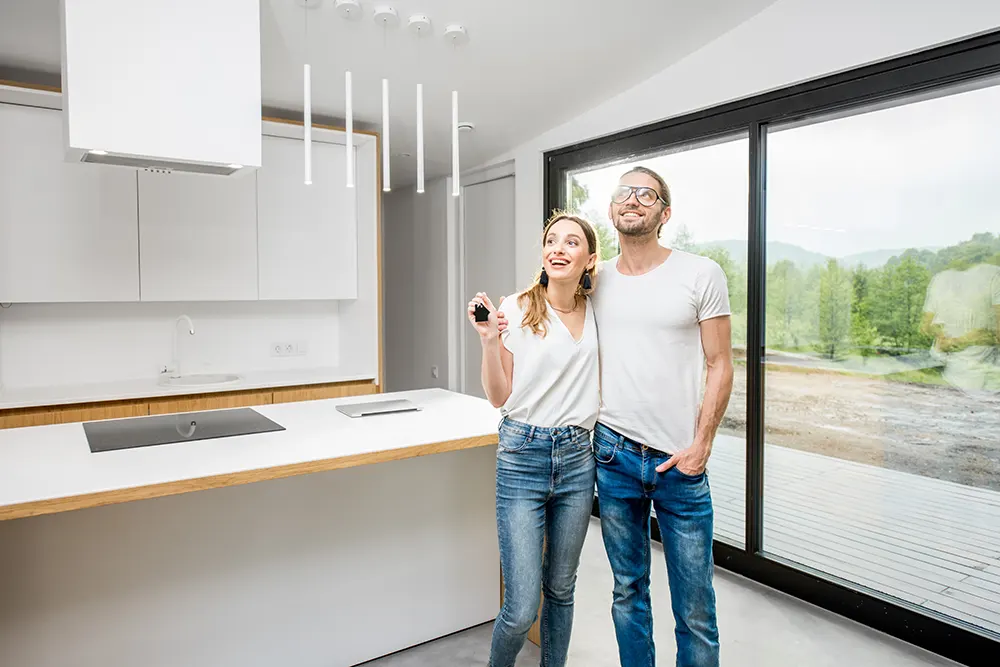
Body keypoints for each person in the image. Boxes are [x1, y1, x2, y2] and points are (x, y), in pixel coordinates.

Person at [591, 166, 734, 667]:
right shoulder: (597, 278)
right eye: (623, 192)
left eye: (646, 193)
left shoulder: (700, 272)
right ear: (611, 211)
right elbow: (548, 301)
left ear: (664, 212)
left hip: (680, 462)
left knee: (695, 608)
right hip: (612, 455)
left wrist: (702, 446)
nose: (633, 199)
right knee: (627, 592)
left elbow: (721, 363)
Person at [468, 212, 600, 667]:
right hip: (522, 455)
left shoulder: (600, 311)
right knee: (522, 607)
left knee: (561, 590)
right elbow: (499, 395)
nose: (558, 248)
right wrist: (488, 341)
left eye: (571, 242)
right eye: (551, 240)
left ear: (589, 258)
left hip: (579, 459)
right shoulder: (518, 307)